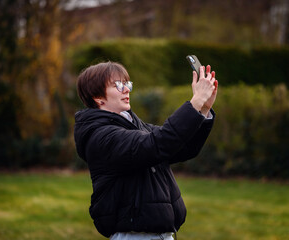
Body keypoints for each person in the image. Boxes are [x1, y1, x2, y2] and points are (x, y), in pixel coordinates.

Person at [74, 61, 218, 240]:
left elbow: (181, 148)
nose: (126, 89)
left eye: (127, 84)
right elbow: (158, 144)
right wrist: (194, 103)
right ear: (97, 97)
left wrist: (203, 109)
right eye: (118, 85)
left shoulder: (134, 125)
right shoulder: (101, 136)